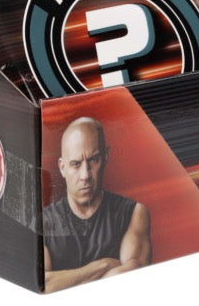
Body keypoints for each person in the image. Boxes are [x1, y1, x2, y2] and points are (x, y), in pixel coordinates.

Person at [43, 116, 151, 293]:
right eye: (76, 164)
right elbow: (43, 285)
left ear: (106, 156)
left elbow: (132, 278)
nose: (85, 175)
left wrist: (62, 281)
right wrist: (104, 265)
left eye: (93, 160)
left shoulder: (134, 213)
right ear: (62, 167)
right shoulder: (41, 223)